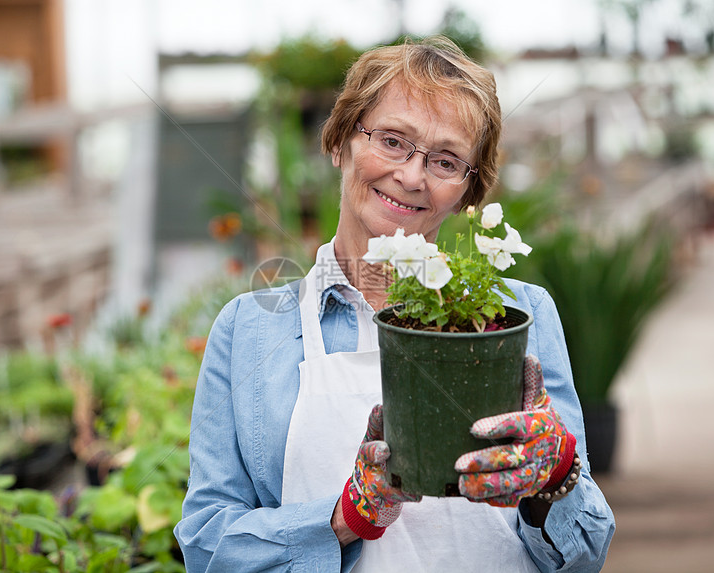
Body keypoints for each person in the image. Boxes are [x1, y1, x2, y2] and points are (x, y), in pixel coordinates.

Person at [174, 36, 615, 572]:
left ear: (468, 193)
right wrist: (344, 519)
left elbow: (586, 555)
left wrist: (556, 474)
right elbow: (206, 547)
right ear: (339, 143)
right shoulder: (251, 331)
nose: (411, 176)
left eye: (447, 161)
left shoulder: (518, 318)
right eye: (391, 141)